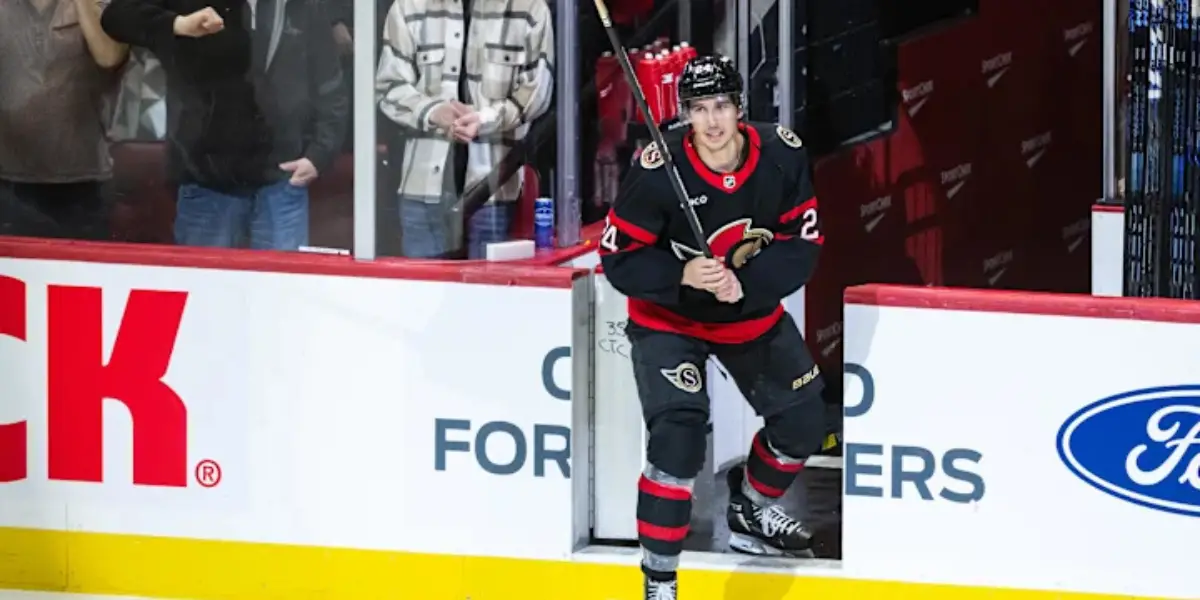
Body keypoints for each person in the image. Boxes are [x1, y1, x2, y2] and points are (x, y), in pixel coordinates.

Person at [597, 55, 825, 600]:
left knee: (803, 423)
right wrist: (680, 274)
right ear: (686, 115)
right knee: (677, 439)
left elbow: (805, 241)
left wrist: (748, 283)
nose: (713, 121)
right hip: (668, 321)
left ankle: (748, 507)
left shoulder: (781, 154)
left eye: (722, 106)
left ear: (740, 109)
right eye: (700, 109)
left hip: (745, 316)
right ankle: (659, 579)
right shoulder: (659, 168)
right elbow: (619, 257)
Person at [100, 0, 349, 251]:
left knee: (281, 289)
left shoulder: (302, 5)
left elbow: (330, 85)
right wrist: (179, 24)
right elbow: (116, 16)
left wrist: (319, 155)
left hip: (283, 183)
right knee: (205, 288)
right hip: (207, 184)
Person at [375, 0, 554, 259]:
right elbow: (389, 86)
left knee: (488, 296)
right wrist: (434, 112)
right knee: (421, 294)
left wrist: (485, 118)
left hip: (493, 188)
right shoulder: (409, 6)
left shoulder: (529, 8)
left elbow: (538, 92)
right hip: (422, 183)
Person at [0, 0, 129, 241]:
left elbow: (109, 56)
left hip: (83, 179)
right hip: (7, 181)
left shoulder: (104, 5)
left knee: (79, 272)